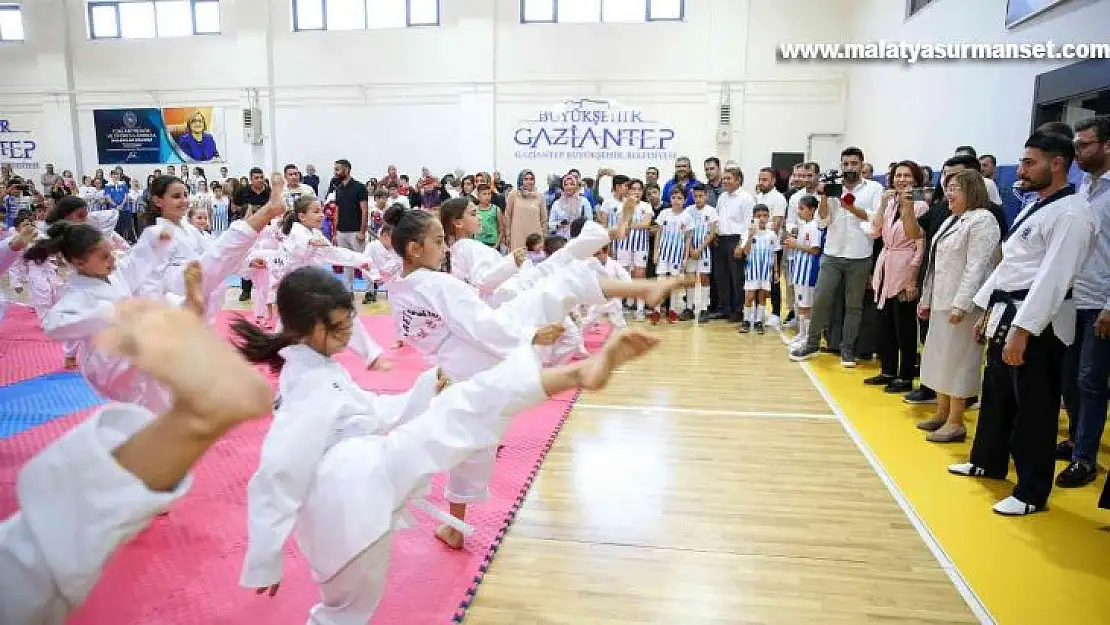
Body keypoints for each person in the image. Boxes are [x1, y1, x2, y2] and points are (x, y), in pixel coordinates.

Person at [236, 266, 660, 623]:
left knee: (459, 409)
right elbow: (278, 469)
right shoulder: (309, 384)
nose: (350, 336)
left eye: (350, 324)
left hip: (360, 482)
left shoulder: (317, 370)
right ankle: (574, 375)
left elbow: (367, 412)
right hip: (345, 490)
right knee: (342, 611)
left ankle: (575, 375)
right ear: (309, 327)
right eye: (341, 328)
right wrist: (265, 556)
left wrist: (423, 390)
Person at [383, 207, 686, 549]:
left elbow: (439, 329)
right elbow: (482, 325)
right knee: (561, 285)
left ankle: (454, 527)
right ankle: (641, 290)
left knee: (475, 443)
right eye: (438, 241)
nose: (445, 248)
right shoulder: (437, 283)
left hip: (456, 365)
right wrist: (530, 334)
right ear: (414, 248)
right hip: (478, 349)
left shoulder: (398, 288)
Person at [0, 299, 274, 625]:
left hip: (128, 357)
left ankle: (196, 419)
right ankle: (195, 420)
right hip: (109, 362)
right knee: (28, 569)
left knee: (26, 567)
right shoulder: (80, 295)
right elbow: (56, 323)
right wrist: (104, 313)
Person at [949, 131, 1096, 516]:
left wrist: (1023, 330)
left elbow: (1054, 277)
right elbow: (1010, 265)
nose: (1024, 169)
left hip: (1040, 322)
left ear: (1057, 163)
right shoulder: (1038, 205)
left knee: (1035, 406)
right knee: (997, 391)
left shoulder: (1073, 213)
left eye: (1031, 162)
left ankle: (1031, 491)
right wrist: (983, 309)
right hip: (1006, 310)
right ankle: (988, 460)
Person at [916, 170, 1000, 443]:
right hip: (941, 298)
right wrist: (926, 298)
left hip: (964, 305)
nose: (949, 193)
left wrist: (962, 304)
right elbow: (935, 264)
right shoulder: (952, 220)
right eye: (948, 187)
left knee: (960, 360)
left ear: (973, 191)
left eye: (956, 188)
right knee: (940, 358)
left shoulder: (983, 221)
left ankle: (956, 421)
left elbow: (978, 267)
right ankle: (942, 411)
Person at [864, 161, 928, 394]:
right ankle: (887, 369)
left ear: (916, 180)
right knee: (886, 323)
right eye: (897, 176)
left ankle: (906, 375)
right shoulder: (890, 203)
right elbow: (875, 230)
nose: (901, 180)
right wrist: (882, 204)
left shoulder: (920, 206)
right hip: (887, 264)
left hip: (905, 265)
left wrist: (912, 278)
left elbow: (920, 244)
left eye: (906, 176)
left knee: (905, 327)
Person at [783, 196, 823, 349]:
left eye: (802, 208)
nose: (799, 212)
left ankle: (807, 337)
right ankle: (801, 334)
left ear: (812, 210)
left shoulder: (814, 227)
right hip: (799, 270)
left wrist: (796, 244)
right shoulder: (804, 225)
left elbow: (815, 249)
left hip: (808, 272)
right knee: (800, 304)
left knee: (806, 305)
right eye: (798, 208)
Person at [738, 204, 778, 334]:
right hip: (752, 270)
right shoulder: (748, 233)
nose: (762, 218)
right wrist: (750, 236)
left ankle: (759, 321)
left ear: (768, 218)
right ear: (753, 218)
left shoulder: (771, 234)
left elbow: (775, 253)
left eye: (765, 216)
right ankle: (746, 320)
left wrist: (776, 271)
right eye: (758, 216)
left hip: (766, 271)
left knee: (762, 296)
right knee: (749, 296)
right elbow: (745, 251)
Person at [682, 183, 719, 323]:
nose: (698, 199)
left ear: (706, 196)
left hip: (704, 251)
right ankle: (689, 308)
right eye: (695, 196)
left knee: (704, 278)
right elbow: (685, 232)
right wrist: (691, 249)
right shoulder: (688, 211)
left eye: (701, 196)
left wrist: (700, 249)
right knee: (690, 278)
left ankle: (703, 309)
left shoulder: (712, 211)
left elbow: (712, 233)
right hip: (690, 251)